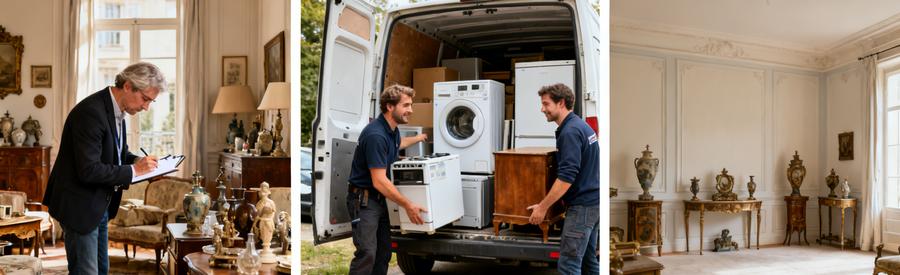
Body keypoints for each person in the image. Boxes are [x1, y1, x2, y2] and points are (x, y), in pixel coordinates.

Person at [43, 62, 164, 275]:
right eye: (145, 99)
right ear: (128, 86)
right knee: (87, 272)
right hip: (79, 206)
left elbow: (119, 154)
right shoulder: (91, 112)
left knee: (101, 270)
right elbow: (89, 170)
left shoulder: (118, 111)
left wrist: (147, 166)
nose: (146, 107)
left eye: (150, 101)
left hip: (99, 205)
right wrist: (136, 171)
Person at [346, 84, 429, 275]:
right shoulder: (376, 134)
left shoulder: (391, 130)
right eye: (406, 105)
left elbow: (398, 144)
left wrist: (419, 138)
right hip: (364, 202)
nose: (411, 110)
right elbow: (379, 181)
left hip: (379, 201)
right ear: (390, 107)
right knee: (367, 253)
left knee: (383, 253)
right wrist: (408, 205)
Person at [526, 83, 600, 275]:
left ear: (561, 103)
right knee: (588, 262)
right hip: (593, 204)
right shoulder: (580, 126)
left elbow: (566, 177)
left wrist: (542, 208)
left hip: (582, 208)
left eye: (546, 104)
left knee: (569, 266)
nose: (542, 109)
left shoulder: (570, 132)